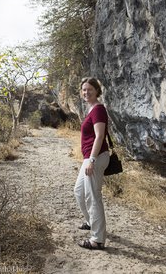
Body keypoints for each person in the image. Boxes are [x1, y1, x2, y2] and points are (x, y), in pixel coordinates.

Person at [74, 77, 110, 250]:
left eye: (90, 89)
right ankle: (91, 221)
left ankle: (98, 239)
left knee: (93, 197)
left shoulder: (98, 110)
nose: (86, 92)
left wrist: (92, 161)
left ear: (97, 90)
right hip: (89, 158)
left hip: (95, 157)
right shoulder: (91, 109)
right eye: (84, 90)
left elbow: (100, 136)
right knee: (79, 192)